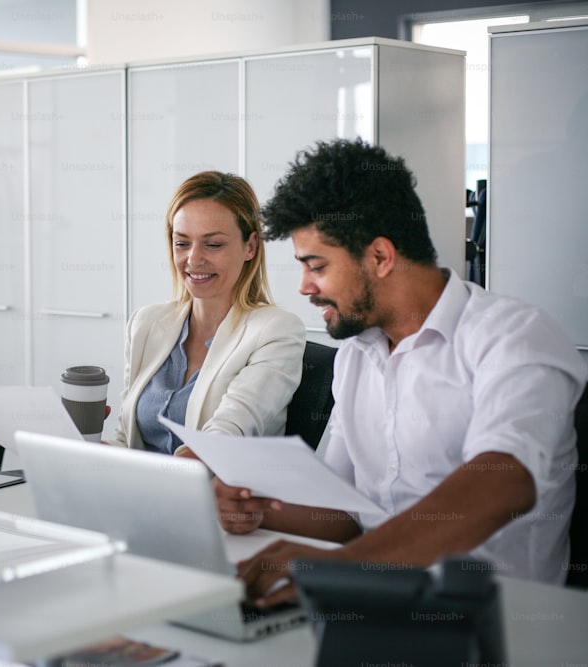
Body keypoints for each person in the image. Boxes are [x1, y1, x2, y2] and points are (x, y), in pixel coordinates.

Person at [217, 138, 587, 607]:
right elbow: (348, 514)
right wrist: (259, 511)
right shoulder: (357, 354)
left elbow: (501, 482)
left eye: (317, 266)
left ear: (380, 257)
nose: (305, 286)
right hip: (375, 606)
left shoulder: (514, 336)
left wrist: (345, 568)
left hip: (495, 626)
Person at [110, 171, 305, 453]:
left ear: (250, 246)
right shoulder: (146, 323)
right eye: (182, 243)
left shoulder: (276, 329)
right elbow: (125, 437)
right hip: (137, 491)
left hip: (214, 494)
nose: (193, 259)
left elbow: (225, 437)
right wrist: (83, 446)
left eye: (213, 244)